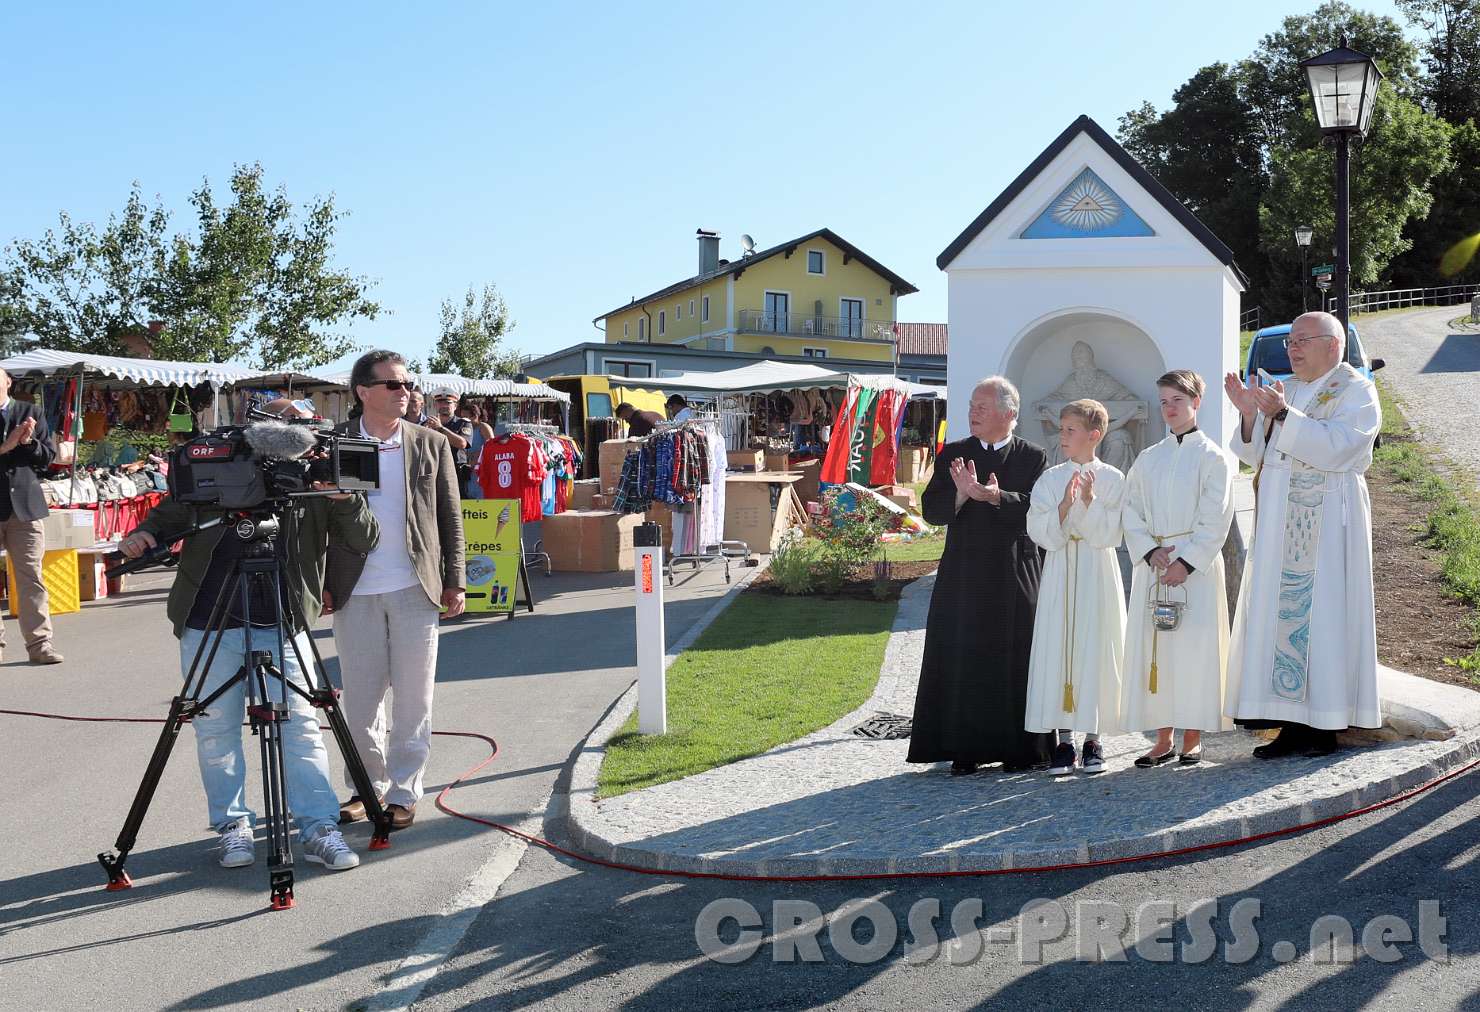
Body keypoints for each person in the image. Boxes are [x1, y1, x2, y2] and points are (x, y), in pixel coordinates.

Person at [117, 398, 377, 870]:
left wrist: (344, 497)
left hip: (283, 617)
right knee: (215, 731)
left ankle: (319, 827)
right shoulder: (217, 461)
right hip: (209, 618)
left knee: (300, 728)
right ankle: (233, 827)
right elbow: (171, 514)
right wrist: (144, 535)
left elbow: (364, 539)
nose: (292, 431)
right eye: (283, 423)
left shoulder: (318, 471)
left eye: (301, 424)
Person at [1223, 312, 1381, 758]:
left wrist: (1283, 415)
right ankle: (1290, 723)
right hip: (1280, 522)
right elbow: (1257, 454)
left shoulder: (1355, 389)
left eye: (1302, 341)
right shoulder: (1286, 389)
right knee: (1280, 615)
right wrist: (1251, 415)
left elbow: (1343, 446)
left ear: (1333, 345)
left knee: (1324, 614)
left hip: (1328, 521)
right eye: (1290, 342)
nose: (1292, 349)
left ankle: (1324, 723)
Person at [333, 350, 466, 831]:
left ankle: (405, 791)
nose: (405, 391)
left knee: (414, 699)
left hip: (416, 586)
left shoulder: (431, 443)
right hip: (356, 590)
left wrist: (456, 580)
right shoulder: (336, 443)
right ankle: (363, 788)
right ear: (363, 391)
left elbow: (450, 517)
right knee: (361, 700)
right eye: (392, 385)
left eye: (408, 384)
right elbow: (317, 522)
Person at [907, 376, 1053, 774]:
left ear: (1009, 414)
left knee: (1016, 654)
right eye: (972, 405)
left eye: (982, 407)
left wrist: (995, 496)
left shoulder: (1033, 456)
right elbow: (932, 510)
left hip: (1014, 570)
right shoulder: (954, 453)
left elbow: (1039, 507)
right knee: (963, 654)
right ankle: (964, 748)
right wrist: (961, 493)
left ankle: (1020, 750)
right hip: (964, 571)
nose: (973, 412)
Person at [1120, 370, 1236, 765]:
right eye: (1164, 401)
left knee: (1194, 650)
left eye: (1177, 401)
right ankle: (1162, 736)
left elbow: (1217, 515)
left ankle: (1193, 734)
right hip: (1154, 566)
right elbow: (1130, 509)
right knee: (1158, 653)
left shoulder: (1213, 457)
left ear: (1196, 402)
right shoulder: (1149, 457)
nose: (1169, 409)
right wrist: (1151, 552)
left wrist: (1185, 562)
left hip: (1194, 571)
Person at [1023, 399, 1126, 775]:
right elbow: (1039, 530)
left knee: (1095, 647)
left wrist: (1090, 503)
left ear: (1093, 435)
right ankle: (1064, 742)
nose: (1061, 436)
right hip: (1060, 572)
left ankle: (1094, 738)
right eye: (1061, 429)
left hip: (1097, 570)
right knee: (1059, 647)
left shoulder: (1114, 479)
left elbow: (1113, 532)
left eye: (1070, 429)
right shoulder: (1050, 479)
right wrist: (1065, 507)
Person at [0, 367, 63, 664]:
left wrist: (28, 443)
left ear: (8, 382)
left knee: (31, 578)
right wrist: (6, 446)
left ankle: (40, 645)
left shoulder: (30, 411)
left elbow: (48, 459)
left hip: (24, 509)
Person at [429, 388, 474, 492]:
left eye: (448, 403)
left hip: (455, 471)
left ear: (455, 406)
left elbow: (462, 443)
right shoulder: (428, 423)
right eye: (440, 403)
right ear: (435, 405)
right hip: (434, 470)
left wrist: (440, 428)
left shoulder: (463, 423)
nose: (444, 405)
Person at [458, 401, 495, 498]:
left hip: (482, 469)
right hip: (469, 469)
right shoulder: (464, 429)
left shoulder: (483, 427)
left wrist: (477, 455)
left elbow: (492, 446)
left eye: (464, 417)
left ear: (474, 416)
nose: (462, 420)